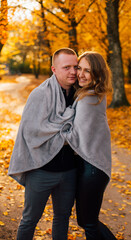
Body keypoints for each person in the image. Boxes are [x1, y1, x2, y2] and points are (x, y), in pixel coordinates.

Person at [8, 48, 78, 240]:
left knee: (63, 217)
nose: (72, 71)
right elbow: (32, 133)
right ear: (54, 69)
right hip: (41, 170)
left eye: (75, 66)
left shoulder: (80, 95)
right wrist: (67, 134)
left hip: (69, 171)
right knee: (30, 219)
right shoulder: (39, 94)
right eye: (66, 67)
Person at [63, 51, 117, 239]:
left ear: (98, 74)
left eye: (88, 70)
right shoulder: (92, 94)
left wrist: (54, 129)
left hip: (92, 168)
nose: (81, 74)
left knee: (89, 223)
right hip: (92, 167)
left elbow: (76, 137)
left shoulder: (88, 99)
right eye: (80, 68)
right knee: (86, 221)